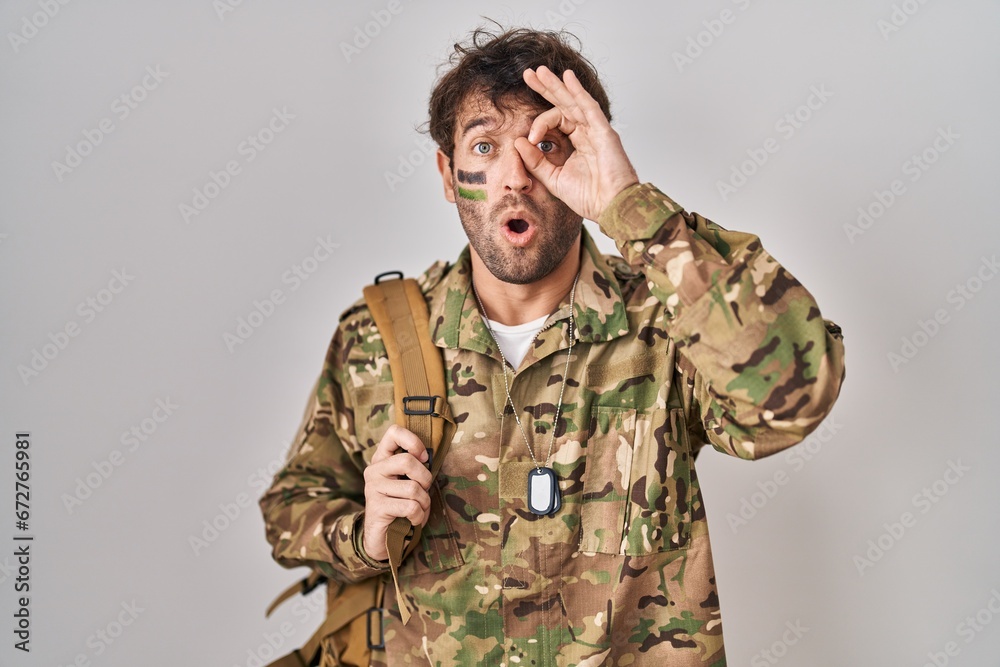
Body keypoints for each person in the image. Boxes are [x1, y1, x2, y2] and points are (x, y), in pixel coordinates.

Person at [259, 24, 846, 667]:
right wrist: (364, 535)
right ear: (450, 176)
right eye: (484, 146)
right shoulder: (375, 337)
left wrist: (630, 206)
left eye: (547, 145)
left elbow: (792, 395)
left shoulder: (664, 320)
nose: (515, 178)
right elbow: (290, 511)